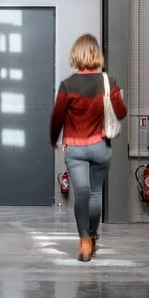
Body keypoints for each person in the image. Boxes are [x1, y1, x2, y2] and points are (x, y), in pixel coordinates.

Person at [48, 33, 129, 262]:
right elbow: (121, 112)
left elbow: (57, 117)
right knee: (95, 193)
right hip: (101, 146)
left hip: (75, 148)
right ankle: (93, 236)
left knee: (81, 193)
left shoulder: (67, 85)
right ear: (97, 55)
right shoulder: (108, 82)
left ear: (76, 54)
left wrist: (53, 138)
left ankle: (83, 238)